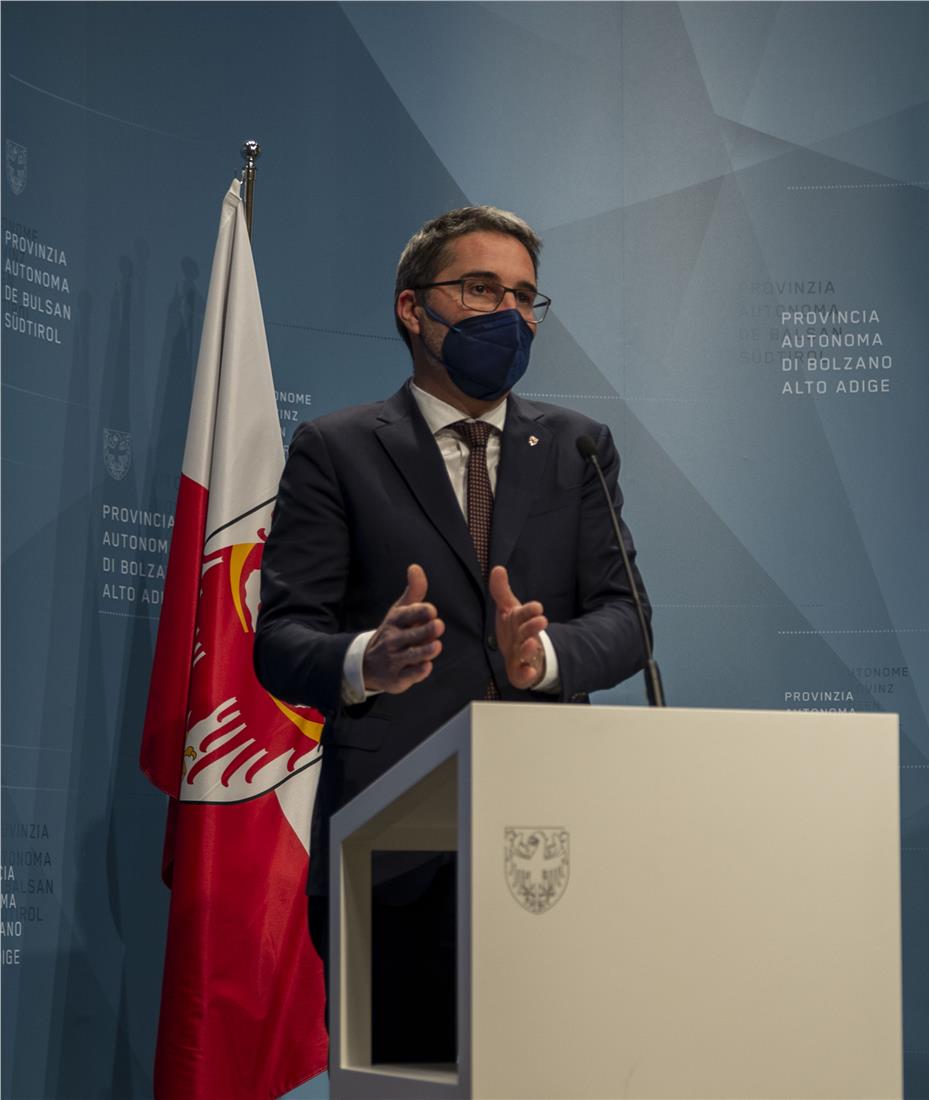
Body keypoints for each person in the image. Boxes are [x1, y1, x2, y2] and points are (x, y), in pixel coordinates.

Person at [253, 204, 651, 984]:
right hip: (389, 847)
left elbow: (627, 617)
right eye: (481, 289)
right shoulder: (337, 450)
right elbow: (281, 640)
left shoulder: (578, 448)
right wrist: (368, 660)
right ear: (413, 308)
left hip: (549, 835)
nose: (510, 314)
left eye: (524, 297)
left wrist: (542, 655)